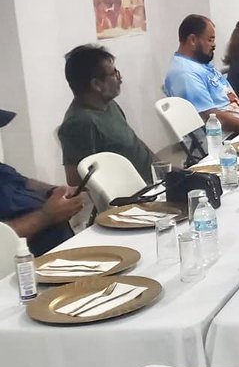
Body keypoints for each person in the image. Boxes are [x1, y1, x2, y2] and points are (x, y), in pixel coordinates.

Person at [58, 45, 155, 187]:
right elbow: (76, 181)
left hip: (154, 180)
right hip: (138, 191)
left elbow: (134, 142)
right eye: (114, 74)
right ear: (97, 84)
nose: (120, 79)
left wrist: (164, 168)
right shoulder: (79, 123)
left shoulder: (109, 105)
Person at [0, 108, 83, 256]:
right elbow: (3, 240)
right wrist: (46, 215)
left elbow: (25, 182)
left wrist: (56, 190)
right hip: (30, 263)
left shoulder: (3, 170)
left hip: (65, 250)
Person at [162, 15, 239, 134]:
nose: (214, 45)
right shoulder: (185, 73)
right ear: (193, 40)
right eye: (210, 40)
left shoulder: (201, 64)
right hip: (223, 137)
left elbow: (232, 98)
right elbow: (211, 116)